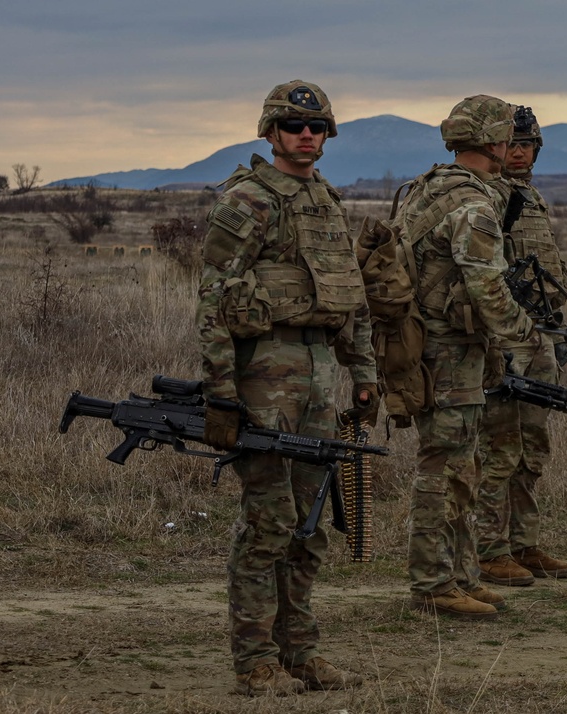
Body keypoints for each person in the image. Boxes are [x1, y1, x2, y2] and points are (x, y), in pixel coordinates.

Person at [196, 80, 379, 697]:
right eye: (295, 126)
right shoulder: (248, 199)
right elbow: (214, 300)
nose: (307, 135)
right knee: (268, 523)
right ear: (270, 133)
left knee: (309, 527)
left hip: (320, 372)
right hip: (264, 374)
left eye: (318, 127)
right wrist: (221, 391)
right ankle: (254, 662)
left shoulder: (326, 200)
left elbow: (349, 296)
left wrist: (364, 373)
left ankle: (301, 654)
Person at [392, 95, 539, 620]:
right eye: (507, 137)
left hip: (433, 347)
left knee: (460, 465)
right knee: (444, 467)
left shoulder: (428, 188)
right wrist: (526, 337)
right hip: (449, 351)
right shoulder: (473, 204)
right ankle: (433, 582)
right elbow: (487, 287)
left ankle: (459, 576)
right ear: (495, 142)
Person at [475, 105, 567, 587]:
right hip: (506, 337)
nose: (519, 151)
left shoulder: (530, 197)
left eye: (527, 143)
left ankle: (524, 542)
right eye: (511, 143)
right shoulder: (485, 196)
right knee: (499, 444)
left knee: (533, 444)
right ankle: (490, 549)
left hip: (541, 335)